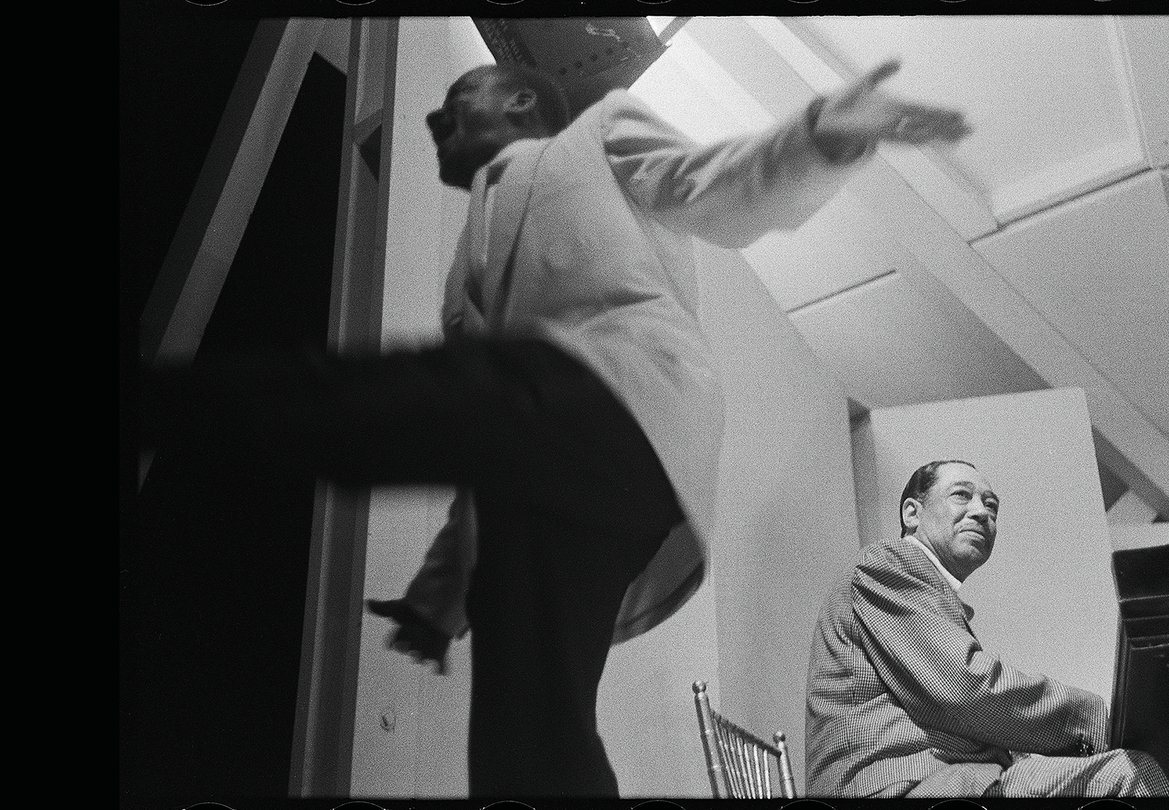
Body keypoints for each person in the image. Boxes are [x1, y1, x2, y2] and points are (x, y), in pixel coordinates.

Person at [135, 60, 971, 797]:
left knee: (405, 389)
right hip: (551, 473)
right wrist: (443, 596)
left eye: (459, 98)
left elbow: (707, 182)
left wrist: (820, 136)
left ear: (524, 98)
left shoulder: (599, 133)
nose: (435, 120)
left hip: (627, 405)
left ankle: (165, 400)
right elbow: (473, 431)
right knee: (528, 733)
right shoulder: (468, 271)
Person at [804, 460, 1169, 797]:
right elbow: (965, 688)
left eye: (992, 506)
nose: (981, 512)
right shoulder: (887, 564)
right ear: (912, 513)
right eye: (961, 496)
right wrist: (1089, 719)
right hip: (900, 787)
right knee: (1129, 775)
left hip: (947, 782)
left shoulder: (925, 593)